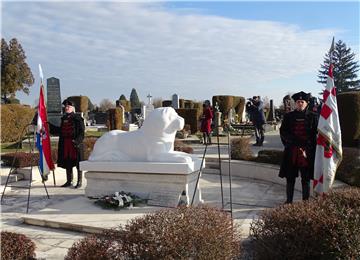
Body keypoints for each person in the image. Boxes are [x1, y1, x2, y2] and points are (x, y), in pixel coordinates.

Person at [279, 91, 318, 203]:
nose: (300, 103)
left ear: (306, 103)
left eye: (302, 102)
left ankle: (305, 202)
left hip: (307, 152)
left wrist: (309, 146)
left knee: (305, 179)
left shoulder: (313, 117)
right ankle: (289, 201)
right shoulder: (288, 116)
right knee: (290, 178)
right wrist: (291, 141)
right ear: (295, 103)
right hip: (292, 151)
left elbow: (315, 134)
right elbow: (283, 132)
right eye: (298, 102)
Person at [49, 99, 85, 188]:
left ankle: (79, 181)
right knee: (68, 162)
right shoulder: (64, 118)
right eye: (65, 106)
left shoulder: (78, 118)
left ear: (72, 108)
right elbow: (60, 131)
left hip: (75, 144)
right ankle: (69, 181)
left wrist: (77, 141)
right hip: (65, 144)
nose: (66, 108)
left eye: (68, 106)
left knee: (78, 163)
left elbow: (82, 132)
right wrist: (48, 125)